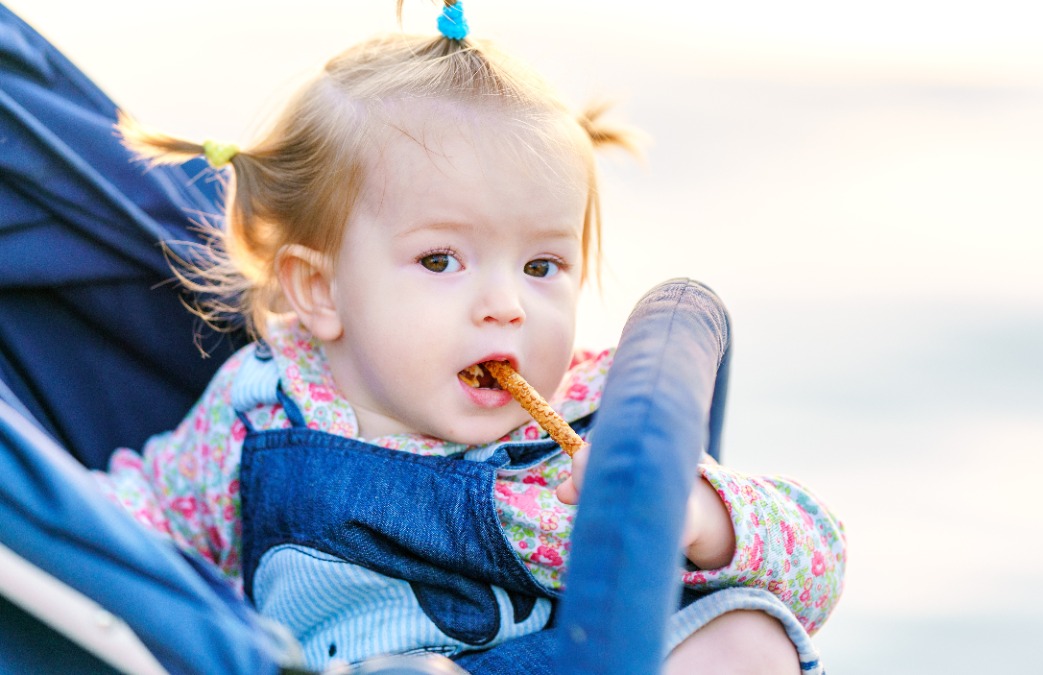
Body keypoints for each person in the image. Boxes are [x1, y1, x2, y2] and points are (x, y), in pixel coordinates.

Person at [96, 2, 847, 672]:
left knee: (752, 634)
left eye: (541, 264)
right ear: (321, 290)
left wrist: (699, 514)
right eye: (440, 259)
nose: (504, 303)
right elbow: (137, 519)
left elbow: (819, 559)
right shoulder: (265, 409)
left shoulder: (596, 414)